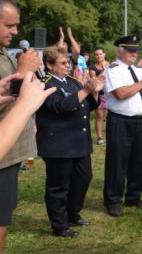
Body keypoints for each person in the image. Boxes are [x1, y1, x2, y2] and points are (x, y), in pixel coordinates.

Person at [35, 45, 104, 237]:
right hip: (59, 144)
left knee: (83, 178)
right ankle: (59, 225)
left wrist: (95, 92)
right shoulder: (45, 84)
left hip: (79, 142)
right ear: (49, 65)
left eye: (69, 62)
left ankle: (73, 213)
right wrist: (86, 90)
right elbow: (63, 106)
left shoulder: (73, 82)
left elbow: (88, 105)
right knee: (59, 185)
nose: (68, 66)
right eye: (63, 63)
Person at [0, 0, 43, 254]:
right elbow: (19, 94)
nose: (15, 31)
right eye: (9, 25)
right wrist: (24, 71)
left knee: (3, 219)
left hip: (10, 151)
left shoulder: (3, 52)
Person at [102, 35, 142, 217]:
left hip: (140, 121)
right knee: (117, 162)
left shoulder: (138, 70)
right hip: (120, 120)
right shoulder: (113, 70)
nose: (134, 53)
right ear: (120, 51)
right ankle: (112, 200)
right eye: (130, 50)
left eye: (136, 50)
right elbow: (120, 93)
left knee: (138, 161)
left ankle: (134, 196)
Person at [89, 47, 109, 145]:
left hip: (112, 94)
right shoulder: (93, 67)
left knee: (114, 116)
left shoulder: (111, 64)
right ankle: (100, 137)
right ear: (94, 56)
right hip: (100, 94)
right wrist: (105, 70)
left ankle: (112, 134)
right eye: (97, 54)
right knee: (100, 116)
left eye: (100, 54)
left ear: (104, 54)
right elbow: (94, 79)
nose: (99, 56)